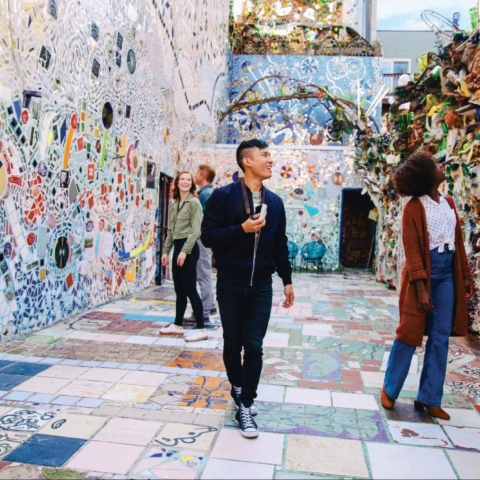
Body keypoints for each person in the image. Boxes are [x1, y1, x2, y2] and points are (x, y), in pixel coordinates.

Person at [201, 139, 294, 438]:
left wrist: (287, 280)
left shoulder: (275, 203)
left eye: (270, 155)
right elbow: (208, 236)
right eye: (265, 155)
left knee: (254, 346)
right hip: (230, 282)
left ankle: (246, 403)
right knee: (232, 344)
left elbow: (280, 244)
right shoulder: (223, 197)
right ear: (247, 161)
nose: (270, 160)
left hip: (261, 286)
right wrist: (241, 229)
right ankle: (239, 388)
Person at [381, 152, 475, 420]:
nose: (441, 166)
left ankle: (429, 397)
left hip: (447, 274)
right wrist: (422, 289)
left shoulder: (449, 202)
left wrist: (465, 275)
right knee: (408, 333)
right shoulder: (413, 207)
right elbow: (412, 251)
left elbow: (458, 241)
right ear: (424, 174)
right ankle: (390, 388)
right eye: (435, 165)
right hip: (421, 276)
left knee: (440, 337)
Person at [160, 171, 207, 343]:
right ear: (177, 183)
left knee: (190, 289)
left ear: (192, 184)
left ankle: (201, 329)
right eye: (182, 179)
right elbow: (171, 231)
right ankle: (178, 325)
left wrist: (184, 251)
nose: (185, 182)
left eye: (189, 179)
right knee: (179, 289)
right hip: (178, 247)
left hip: (189, 249)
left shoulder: (194, 203)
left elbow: (196, 230)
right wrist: (166, 251)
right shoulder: (175, 203)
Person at [184, 164, 217, 323]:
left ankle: (203, 311)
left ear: (203, 176)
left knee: (203, 274)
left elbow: (204, 219)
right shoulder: (205, 193)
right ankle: (210, 305)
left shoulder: (206, 195)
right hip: (202, 238)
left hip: (202, 239)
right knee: (203, 272)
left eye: (197, 173)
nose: (195, 176)